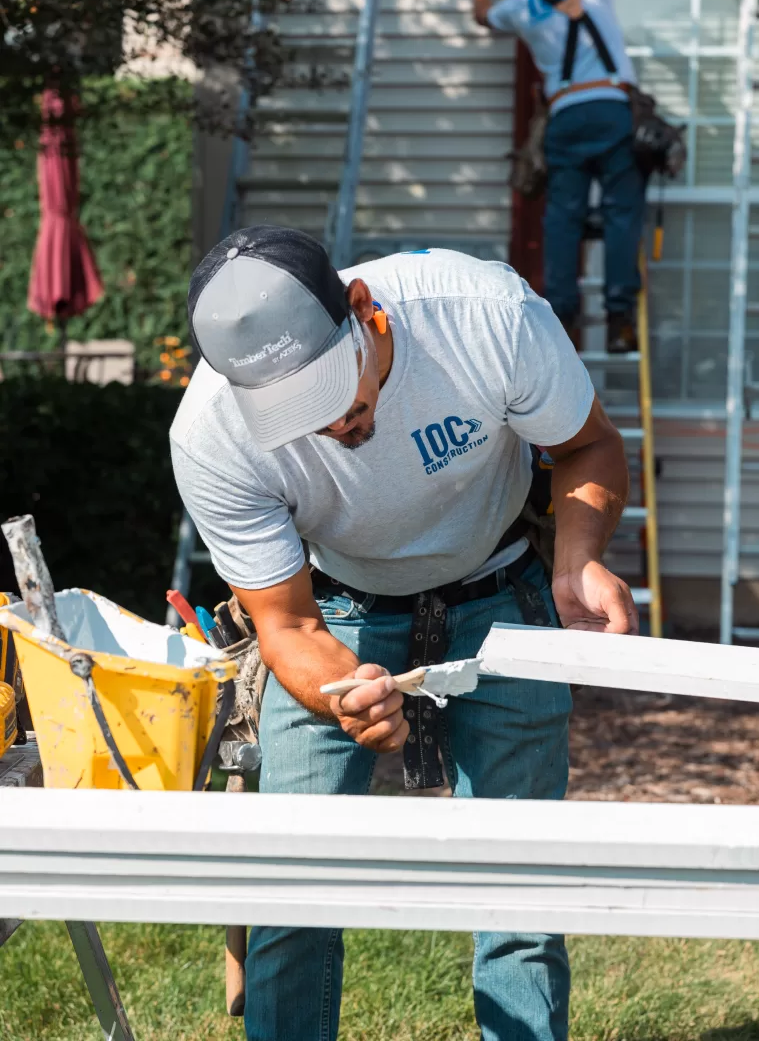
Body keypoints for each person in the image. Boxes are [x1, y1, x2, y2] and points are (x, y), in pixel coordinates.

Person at [171, 224, 637, 1041]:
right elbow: (286, 621)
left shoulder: (484, 315)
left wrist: (578, 557)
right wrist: (336, 690)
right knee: (293, 893)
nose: (327, 430)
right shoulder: (210, 434)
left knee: (521, 889)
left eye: (330, 397)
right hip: (340, 604)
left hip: (499, 584)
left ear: (366, 314)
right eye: (289, 414)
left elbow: (587, 444)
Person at [473, 0, 646, 353]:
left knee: (564, 218)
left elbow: (481, 15)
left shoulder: (519, 8)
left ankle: (563, 320)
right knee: (622, 213)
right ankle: (620, 320)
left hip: (567, 115)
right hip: (614, 107)